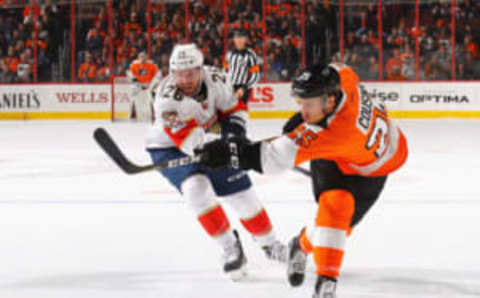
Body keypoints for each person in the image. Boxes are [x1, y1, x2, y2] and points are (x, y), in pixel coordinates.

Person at [197, 63, 408, 297]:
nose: (303, 111)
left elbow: (271, 159)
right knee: (336, 206)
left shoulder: (333, 133)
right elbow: (337, 69)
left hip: (370, 170)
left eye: (309, 104)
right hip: (361, 156)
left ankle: (301, 245)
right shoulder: (342, 80)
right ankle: (327, 283)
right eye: (301, 103)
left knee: (339, 228)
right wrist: (302, 116)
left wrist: (230, 154)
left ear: (329, 101)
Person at [145, 44, 286, 280]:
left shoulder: (218, 78)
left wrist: (234, 137)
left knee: (242, 195)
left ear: (201, 69)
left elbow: (235, 110)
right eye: (179, 74)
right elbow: (192, 142)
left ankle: (271, 245)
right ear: (171, 72)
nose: (185, 79)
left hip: (212, 140)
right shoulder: (166, 99)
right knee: (196, 189)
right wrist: (224, 147)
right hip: (171, 148)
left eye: (190, 73)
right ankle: (230, 248)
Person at [224, 28, 260, 105]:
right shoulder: (229, 54)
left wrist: (244, 88)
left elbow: (256, 75)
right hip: (229, 88)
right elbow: (224, 71)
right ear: (233, 39)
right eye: (237, 38)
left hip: (242, 88)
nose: (239, 40)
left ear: (245, 39)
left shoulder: (250, 54)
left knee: (239, 113)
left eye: (241, 38)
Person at [127, 51, 162, 122]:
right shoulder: (134, 65)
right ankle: (132, 116)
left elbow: (158, 74)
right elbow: (130, 73)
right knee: (133, 98)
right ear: (138, 58)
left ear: (146, 57)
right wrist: (135, 81)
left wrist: (153, 84)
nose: (142, 59)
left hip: (149, 85)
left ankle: (155, 116)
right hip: (138, 85)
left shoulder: (151, 65)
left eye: (144, 57)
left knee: (153, 100)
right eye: (141, 57)